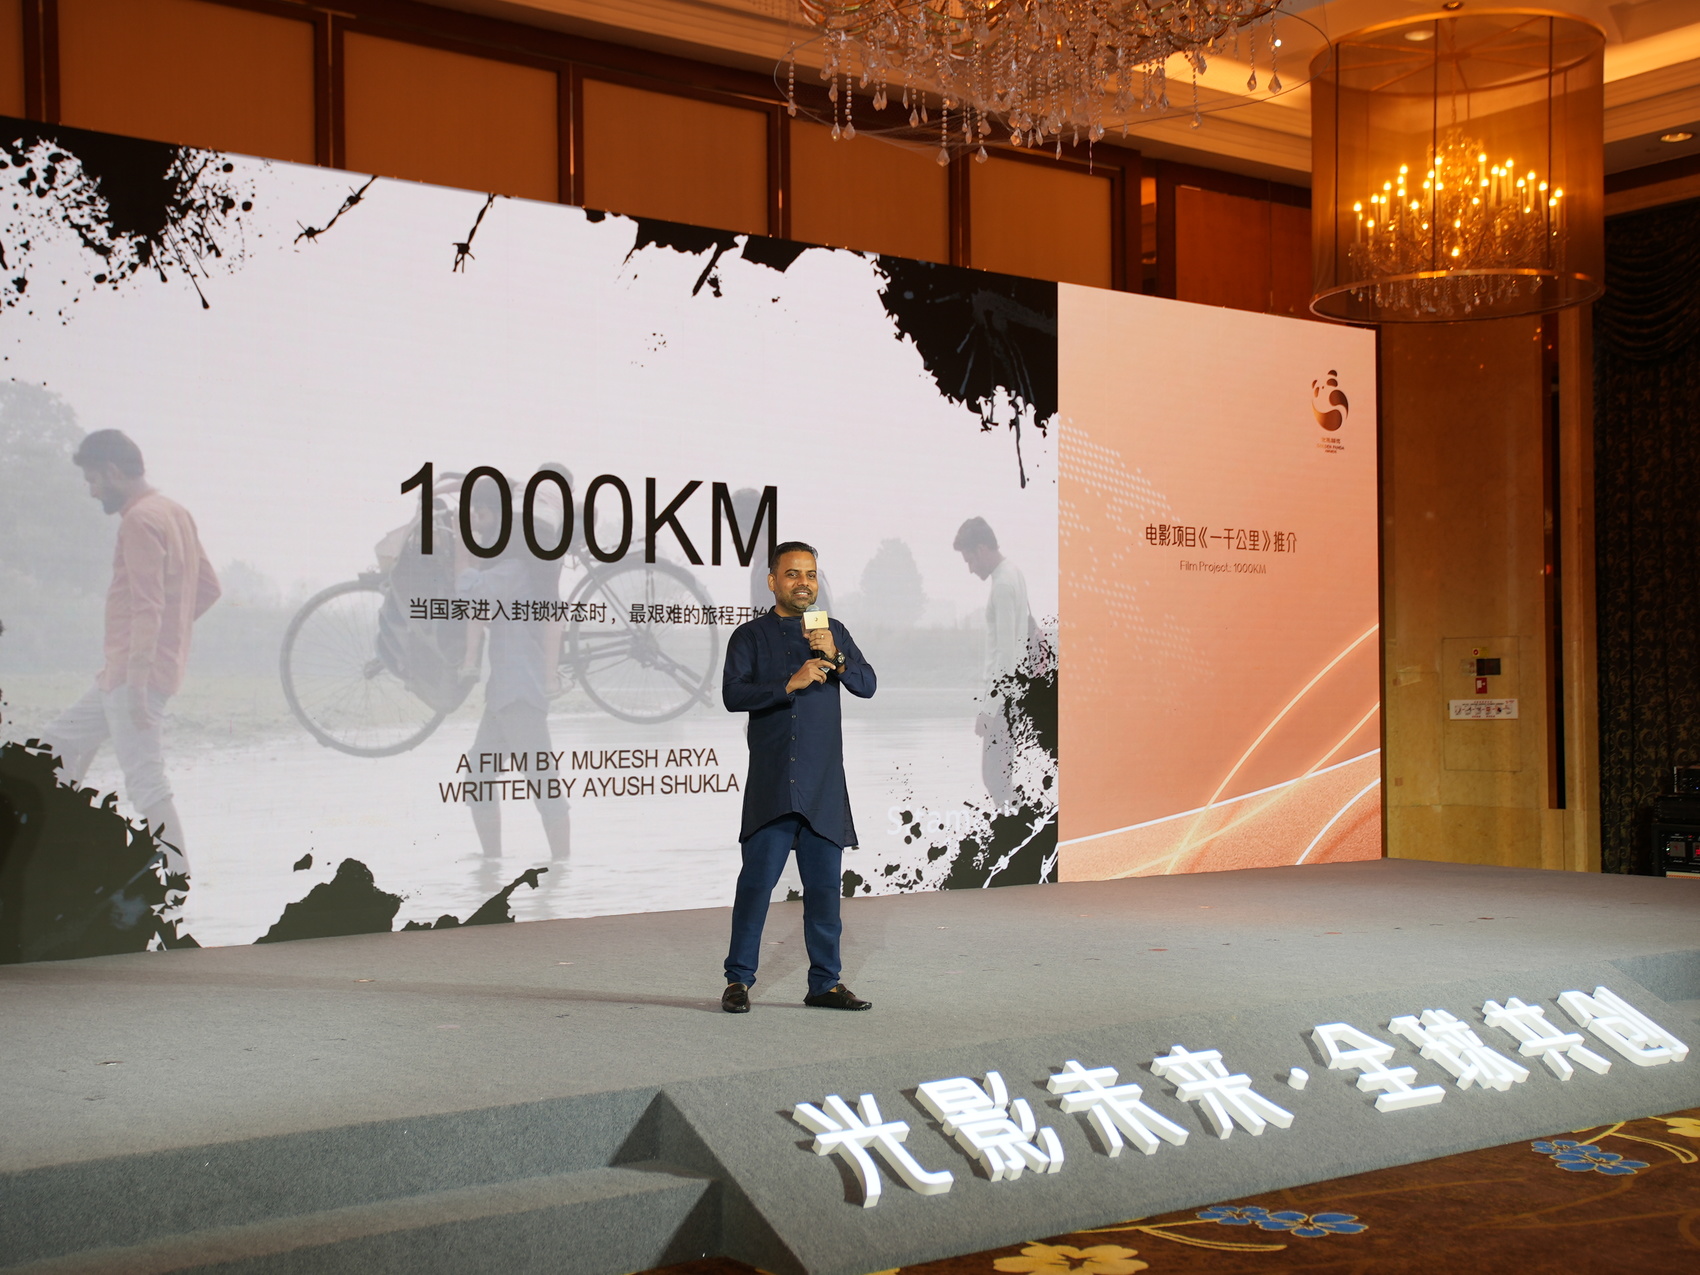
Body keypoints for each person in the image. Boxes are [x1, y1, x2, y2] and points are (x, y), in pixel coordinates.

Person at [41, 430, 221, 872]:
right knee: (55, 746)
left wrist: (139, 677)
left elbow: (148, 605)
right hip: (124, 673)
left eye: (93, 479)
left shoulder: (139, 520)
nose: (91, 490)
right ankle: (55, 853)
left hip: (133, 678)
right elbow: (208, 588)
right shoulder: (174, 512)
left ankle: (177, 880)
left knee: (146, 782)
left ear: (113, 471)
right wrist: (164, 640)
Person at [720, 541, 875, 1013]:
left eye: (810, 574)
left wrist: (837, 657)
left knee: (825, 892)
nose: (803, 582)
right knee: (755, 887)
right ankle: (738, 980)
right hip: (772, 785)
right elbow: (733, 695)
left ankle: (825, 983)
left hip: (822, 786)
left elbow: (867, 684)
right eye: (792, 574)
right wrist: (791, 682)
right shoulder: (749, 636)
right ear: (773, 581)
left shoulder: (833, 632)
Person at [455, 475, 571, 880]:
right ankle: (496, 865)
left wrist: (461, 555)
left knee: (542, 782)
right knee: (479, 778)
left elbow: (471, 594)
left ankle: (561, 868)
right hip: (506, 693)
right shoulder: (525, 572)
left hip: (518, 693)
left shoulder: (514, 570)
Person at [954, 516, 1031, 809]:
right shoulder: (1013, 574)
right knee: (1000, 776)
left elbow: (1006, 656)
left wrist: (988, 709)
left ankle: (1013, 826)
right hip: (1013, 695)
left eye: (970, 559)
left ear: (982, 549)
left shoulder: (1003, 584)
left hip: (1004, 698)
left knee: (995, 777)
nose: (970, 568)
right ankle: (1015, 823)